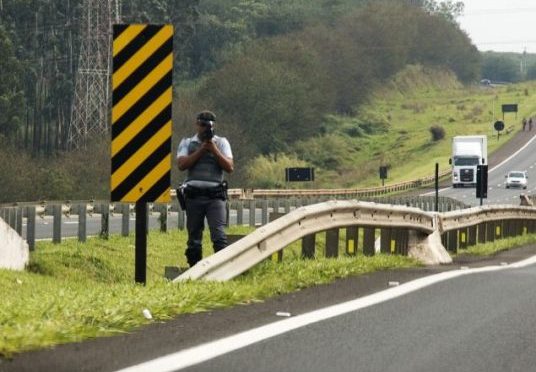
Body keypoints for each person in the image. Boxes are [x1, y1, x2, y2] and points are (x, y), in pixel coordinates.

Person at [176, 110, 234, 267]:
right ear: (197, 124)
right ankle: (194, 270)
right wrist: (201, 150)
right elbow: (182, 165)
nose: (205, 129)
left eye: (208, 126)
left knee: (219, 236)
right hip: (194, 196)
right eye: (202, 125)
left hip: (215, 196)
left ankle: (222, 270)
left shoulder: (221, 143)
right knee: (194, 239)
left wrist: (214, 150)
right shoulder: (187, 143)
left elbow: (229, 167)